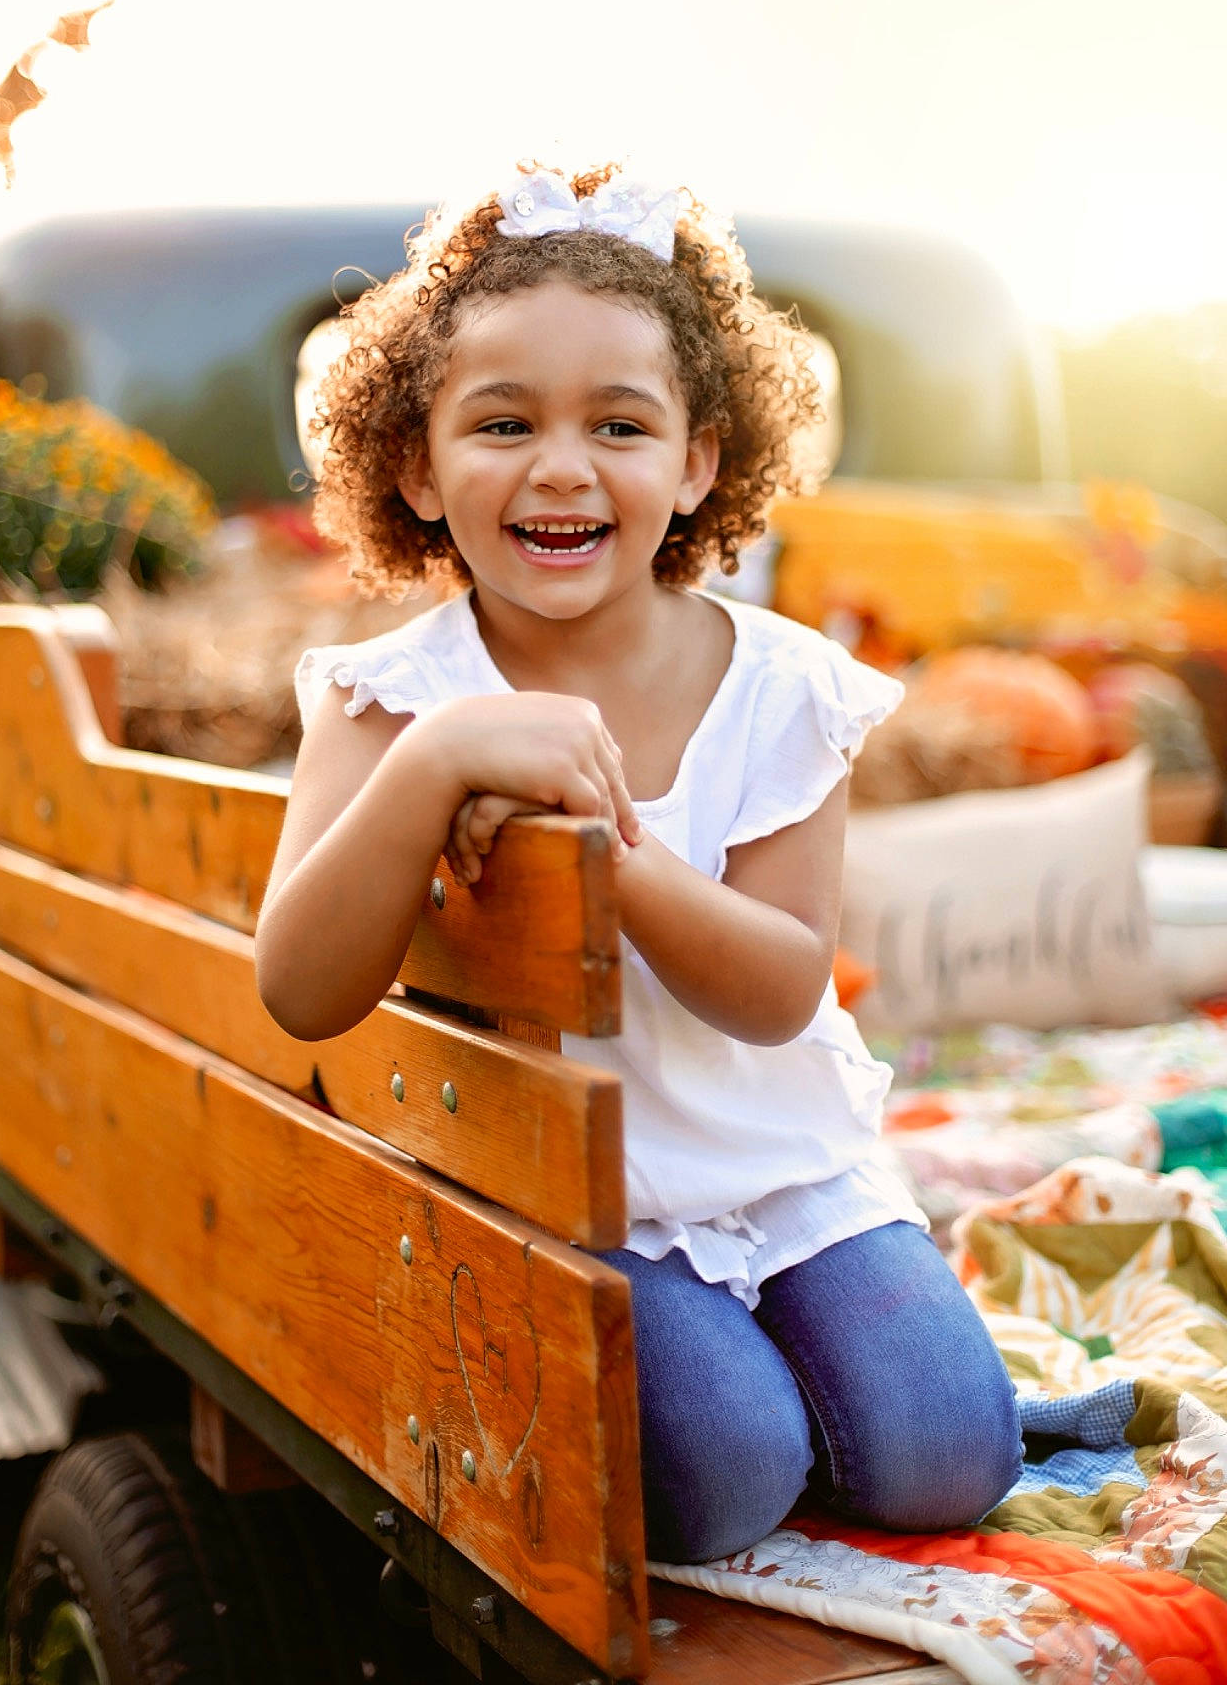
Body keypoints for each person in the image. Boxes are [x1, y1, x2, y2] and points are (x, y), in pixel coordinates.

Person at [255, 163, 1023, 1564]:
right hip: (569, 1194)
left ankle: (823, 1369)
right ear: (416, 466)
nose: (561, 466)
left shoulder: (784, 689)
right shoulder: (389, 700)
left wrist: (614, 858)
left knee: (950, 1463)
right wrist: (440, 763)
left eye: (620, 424)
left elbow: (780, 989)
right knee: (731, 1480)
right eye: (503, 423)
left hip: (780, 1168)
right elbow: (300, 987)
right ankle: (753, 1396)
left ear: (699, 464)